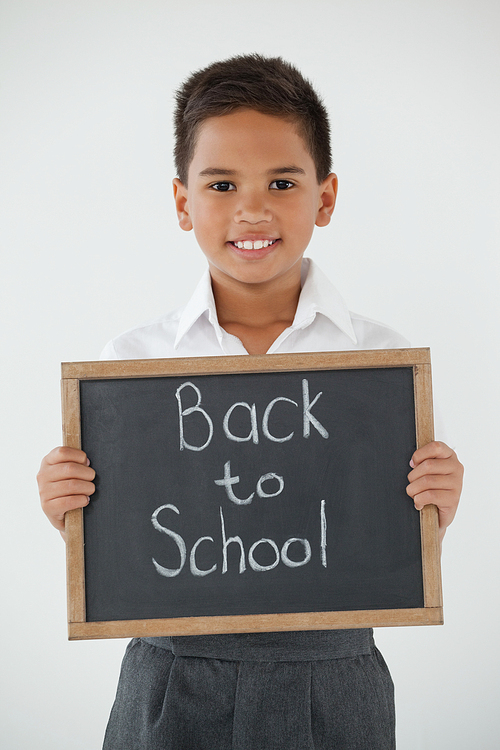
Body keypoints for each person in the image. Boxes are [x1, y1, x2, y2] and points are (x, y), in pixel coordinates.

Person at [37, 54, 463, 749]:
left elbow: (390, 538)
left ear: (325, 198)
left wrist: (439, 503)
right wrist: (70, 509)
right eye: (223, 183)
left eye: (282, 181)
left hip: (335, 677)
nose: (253, 208)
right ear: (183, 203)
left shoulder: (382, 367)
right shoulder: (129, 367)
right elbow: (117, 543)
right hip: (171, 678)